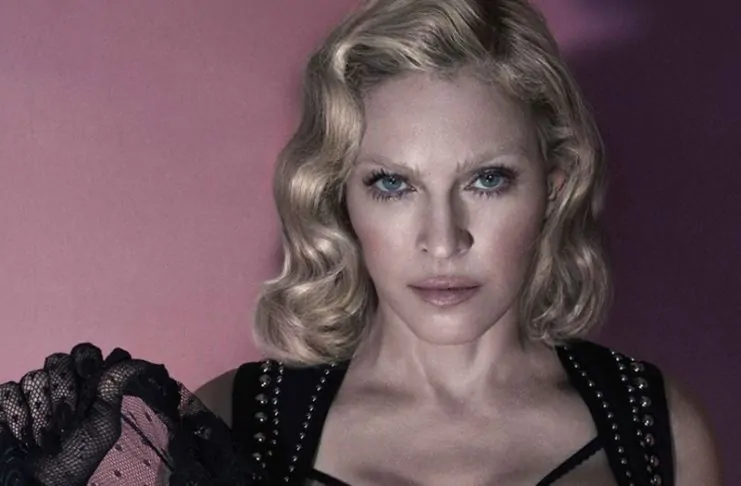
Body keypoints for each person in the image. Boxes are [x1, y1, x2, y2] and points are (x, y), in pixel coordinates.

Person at [0, 1, 722, 485]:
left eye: (488, 179)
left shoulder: (655, 429)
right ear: (340, 197)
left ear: (553, 190)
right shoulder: (230, 423)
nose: (442, 239)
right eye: (393, 184)